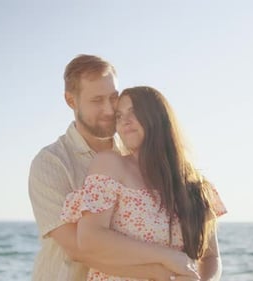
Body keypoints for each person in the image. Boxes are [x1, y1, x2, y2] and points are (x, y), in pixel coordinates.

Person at [29, 55, 199, 281]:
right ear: (71, 101)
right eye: (97, 100)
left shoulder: (136, 153)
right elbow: (80, 250)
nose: (109, 110)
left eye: (113, 97)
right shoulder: (51, 163)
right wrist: (160, 272)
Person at [61, 86, 227, 281]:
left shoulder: (195, 186)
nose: (125, 122)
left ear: (157, 116)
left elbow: (211, 257)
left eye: (134, 112)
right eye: (119, 116)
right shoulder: (111, 165)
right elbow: (90, 239)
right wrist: (167, 257)